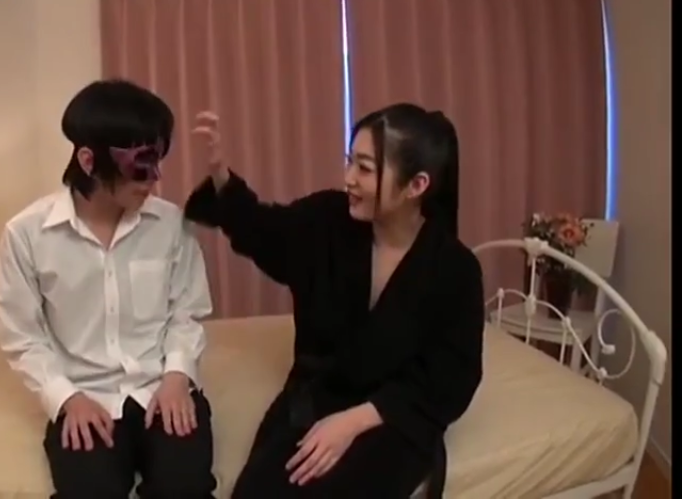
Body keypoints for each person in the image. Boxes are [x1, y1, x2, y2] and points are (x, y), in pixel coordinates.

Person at [185, 104, 485, 498]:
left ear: (416, 185)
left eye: (365, 168)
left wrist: (352, 422)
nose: (349, 179)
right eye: (350, 162)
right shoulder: (328, 219)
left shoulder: (455, 269)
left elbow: (451, 379)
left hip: (391, 419)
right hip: (316, 397)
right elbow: (266, 231)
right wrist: (222, 176)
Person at [0, 79, 216, 499]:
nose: (155, 178)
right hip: (85, 395)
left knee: (186, 490)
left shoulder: (170, 224)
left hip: (160, 386)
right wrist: (66, 399)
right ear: (89, 160)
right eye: (141, 164)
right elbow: (23, 338)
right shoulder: (26, 235)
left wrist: (176, 376)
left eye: (159, 160)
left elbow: (187, 312)